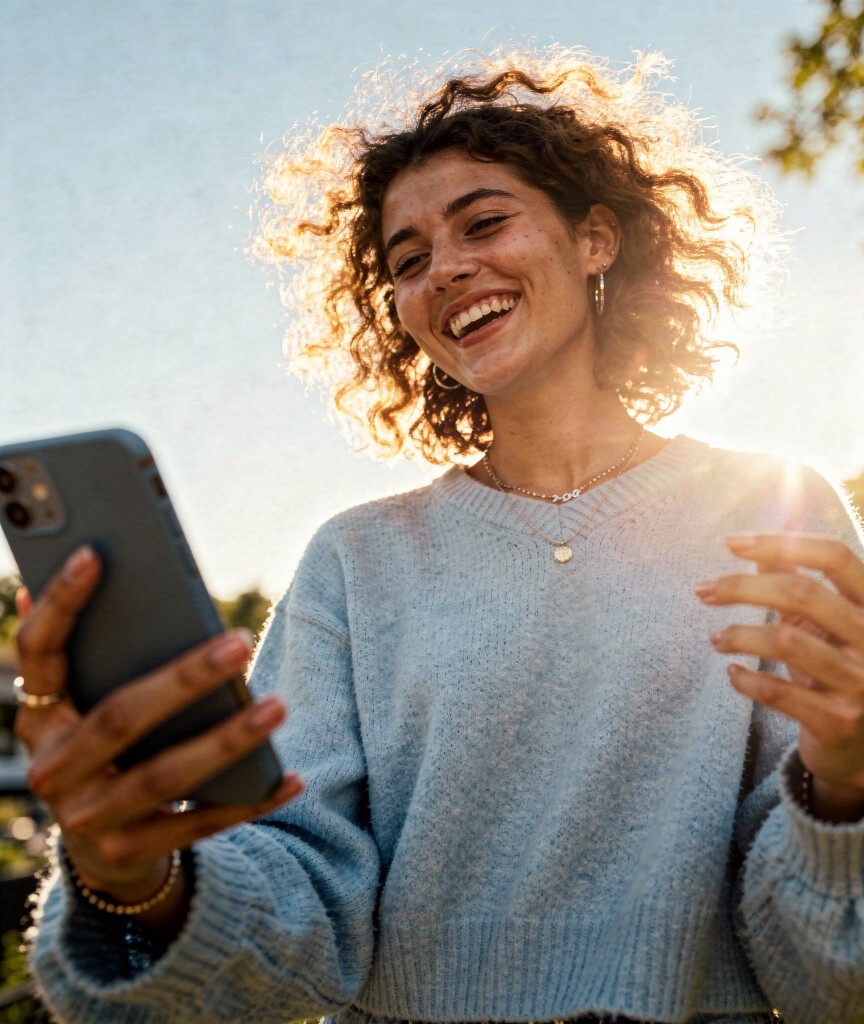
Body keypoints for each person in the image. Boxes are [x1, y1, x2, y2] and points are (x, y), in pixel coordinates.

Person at [12, 46, 864, 1024]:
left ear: (595, 239)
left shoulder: (773, 510)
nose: (448, 270)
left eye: (485, 222)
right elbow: (296, 918)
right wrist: (138, 880)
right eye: (408, 261)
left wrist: (846, 786)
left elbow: (830, 979)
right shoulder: (357, 562)